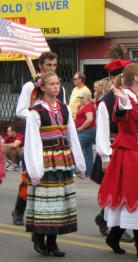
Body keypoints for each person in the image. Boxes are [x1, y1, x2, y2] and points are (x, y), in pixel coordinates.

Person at [98, 63, 138, 259]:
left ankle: (114, 236)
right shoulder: (125, 97)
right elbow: (120, 116)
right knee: (134, 195)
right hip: (130, 154)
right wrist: (104, 156)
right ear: (137, 78)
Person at [24, 72, 86, 256]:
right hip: (45, 160)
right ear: (42, 87)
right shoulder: (36, 112)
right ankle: (39, 236)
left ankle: (52, 241)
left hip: (63, 160)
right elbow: (33, 141)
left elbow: (72, 136)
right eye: (51, 84)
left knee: (60, 201)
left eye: (58, 83)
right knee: (46, 200)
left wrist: (80, 164)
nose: (56, 87)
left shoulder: (64, 108)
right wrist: (35, 170)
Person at [12, 51, 66, 226]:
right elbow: (20, 110)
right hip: (34, 138)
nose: (51, 68)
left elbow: (61, 110)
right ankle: (19, 209)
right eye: (48, 65)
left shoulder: (60, 88)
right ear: (40, 65)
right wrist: (37, 115)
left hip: (54, 139)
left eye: (54, 65)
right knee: (30, 177)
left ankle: (45, 216)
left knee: (51, 180)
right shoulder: (30, 87)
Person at [93, 59, 131, 238]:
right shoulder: (105, 102)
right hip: (112, 149)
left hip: (128, 149)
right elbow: (102, 131)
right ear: (114, 79)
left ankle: (105, 219)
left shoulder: (131, 97)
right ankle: (113, 224)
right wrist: (105, 157)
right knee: (115, 189)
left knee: (124, 188)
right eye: (124, 76)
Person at [75, 92, 96, 178]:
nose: (80, 99)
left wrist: (81, 128)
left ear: (86, 98)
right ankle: (88, 172)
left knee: (76, 149)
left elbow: (90, 119)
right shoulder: (87, 106)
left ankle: (74, 171)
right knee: (88, 152)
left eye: (81, 98)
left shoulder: (88, 106)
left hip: (86, 131)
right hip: (89, 130)